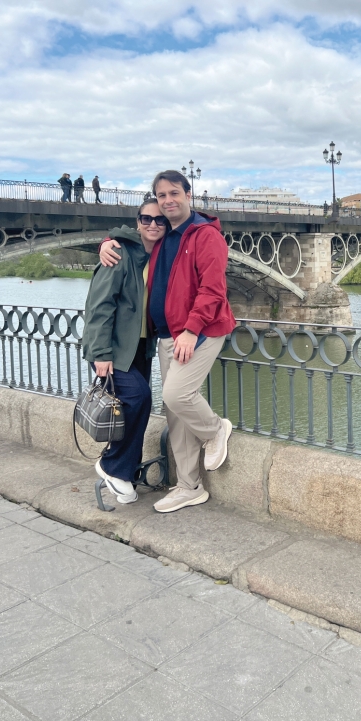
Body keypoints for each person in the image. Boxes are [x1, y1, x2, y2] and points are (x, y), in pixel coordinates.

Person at [100, 168, 236, 514]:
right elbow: (134, 237)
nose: (168, 201)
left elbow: (213, 289)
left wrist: (191, 329)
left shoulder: (205, 235)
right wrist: (107, 242)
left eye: (174, 193)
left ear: (189, 194)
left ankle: (214, 430)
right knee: (174, 413)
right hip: (166, 334)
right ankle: (189, 486)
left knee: (176, 394)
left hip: (201, 331)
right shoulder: (165, 236)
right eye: (162, 195)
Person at [82, 198, 168, 503]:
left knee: (136, 406)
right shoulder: (119, 252)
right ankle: (112, 466)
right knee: (138, 397)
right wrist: (100, 353)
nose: (153, 224)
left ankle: (126, 471)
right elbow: (100, 305)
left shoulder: (161, 253)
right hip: (114, 347)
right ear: (137, 222)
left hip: (141, 346)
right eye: (147, 219)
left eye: (160, 220)